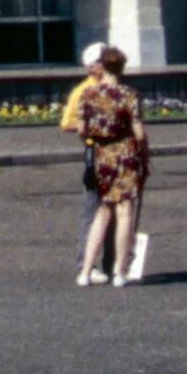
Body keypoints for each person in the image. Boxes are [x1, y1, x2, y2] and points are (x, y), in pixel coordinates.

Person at [69, 44, 149, 288]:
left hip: (101, 155)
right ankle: (120, 271)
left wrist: (93, 140)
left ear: (101, 66)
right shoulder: (128, 95)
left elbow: (81, 128)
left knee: (102, 212)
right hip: (125, 154)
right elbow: (139, 132)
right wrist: (144, 155)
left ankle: (85, 271)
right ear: (122, 68)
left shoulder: (88, 94)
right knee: (125, 212)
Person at [60, 41, 120, 283]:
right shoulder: (83, 91)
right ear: (92, 66)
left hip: (116, 154)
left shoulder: (112, 87)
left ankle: (112, 262)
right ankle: (86, 264)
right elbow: (66, 123)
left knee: (117, 210)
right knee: (93, 210)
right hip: (95, 155)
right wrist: (96, 126)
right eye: (102, 61)